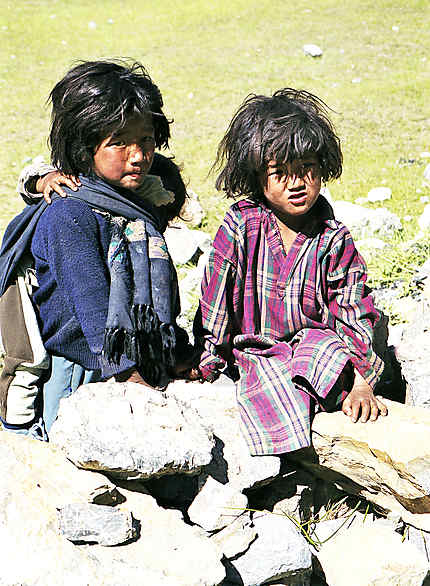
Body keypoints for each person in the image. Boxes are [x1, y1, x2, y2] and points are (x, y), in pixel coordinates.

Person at [0, 60, 194, 439]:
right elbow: (92, 307)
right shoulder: (70, 212)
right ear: (84, 146)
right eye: (119, 142)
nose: (138, 155)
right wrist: (129, 377)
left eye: (147, 139)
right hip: (83, 373)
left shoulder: (134, 199)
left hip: (125, 361)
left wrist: (173, 354)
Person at [193, 88, 387, 456]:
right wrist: (208, 360)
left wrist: (361, 380)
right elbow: (215, 299)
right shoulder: (241, 226)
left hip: (312, 345)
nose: (296, 183)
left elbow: (352, 308)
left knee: (326, 353)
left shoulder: (332, 239)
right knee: (268, 378)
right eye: (279, 172)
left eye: (306, 170)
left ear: (322, 167)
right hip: (254, 349)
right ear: (256, 176)